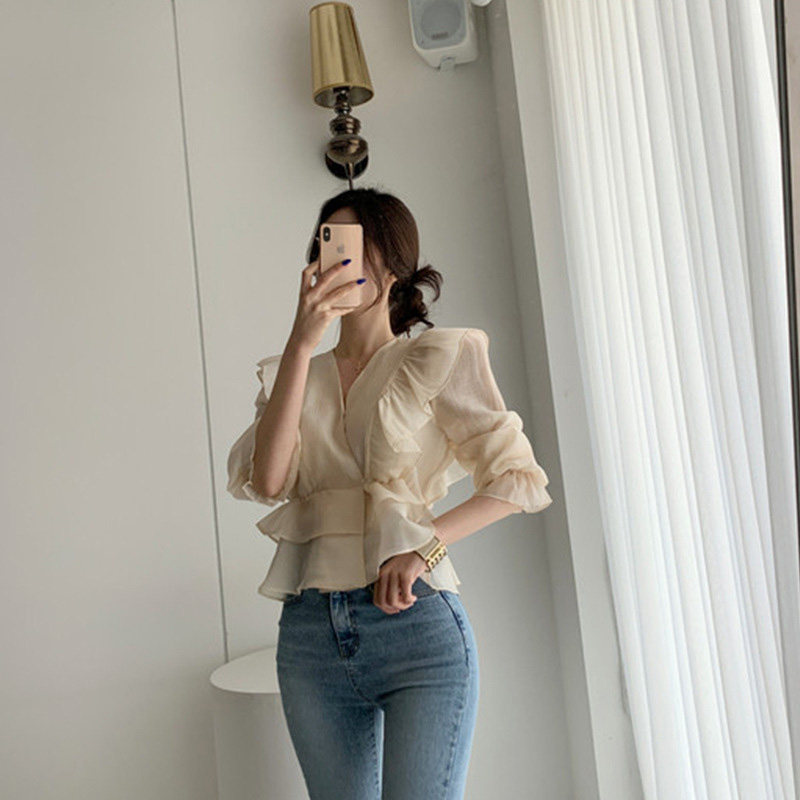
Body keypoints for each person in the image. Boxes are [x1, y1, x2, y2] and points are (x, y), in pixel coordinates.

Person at [226, 187, 553, 800]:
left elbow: (516, 481)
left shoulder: (435, 357)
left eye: (356, 246)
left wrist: (425, 548)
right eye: (329, 245)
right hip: (310, 637)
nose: (338, 261)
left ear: (393, 264)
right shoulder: (295, 374)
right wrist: (301, 341)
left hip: (416, 627)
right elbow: (268, 482)